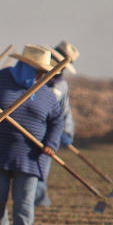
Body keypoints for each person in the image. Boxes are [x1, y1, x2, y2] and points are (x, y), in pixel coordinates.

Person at [0, 44, 64, 225]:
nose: (41, 76)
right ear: (26, 66)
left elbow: (57, 122)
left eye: (44, 73)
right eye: (39, 72)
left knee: (24, 203)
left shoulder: (47, 94)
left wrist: (51, 144)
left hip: (30, 155)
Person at [35, 41, 79, 207]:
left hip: (48, 134)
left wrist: (66, 133)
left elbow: (63, 111)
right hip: (31, 129)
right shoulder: (37, 77)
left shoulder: (61, 84)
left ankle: (39, 201)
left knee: (41, 169)